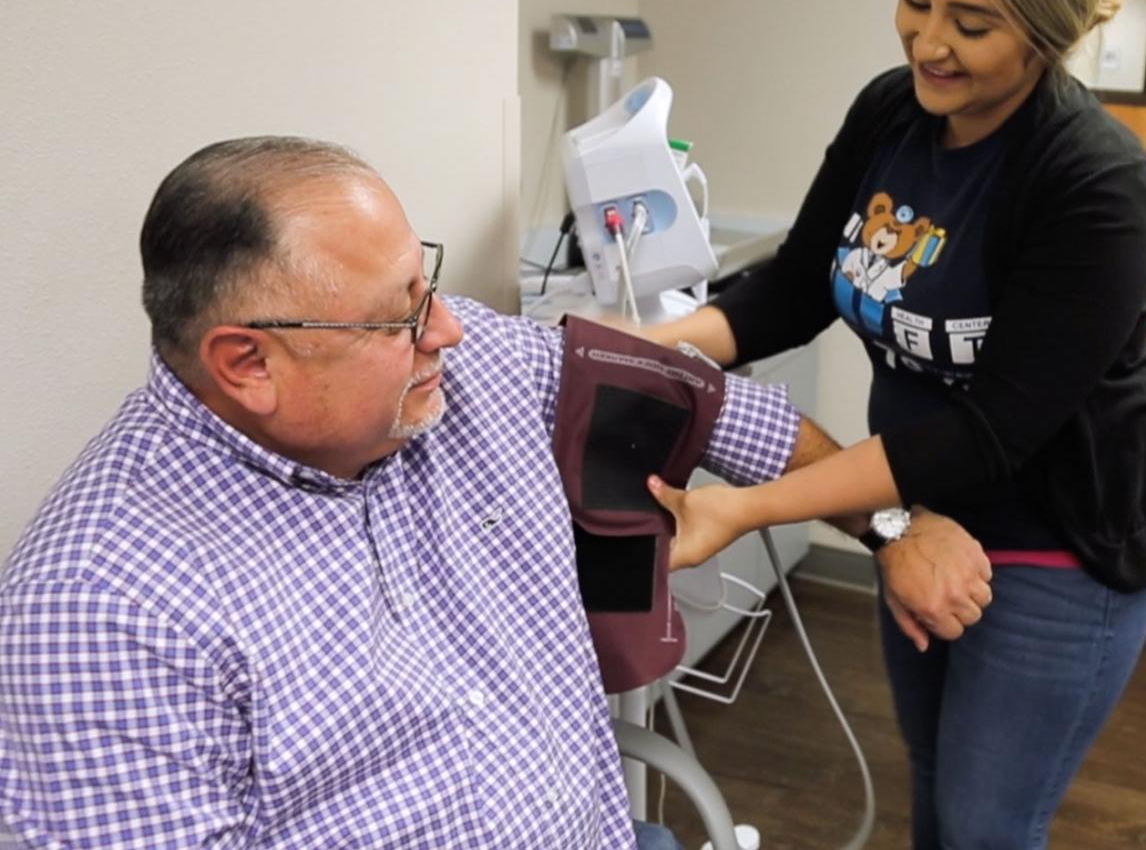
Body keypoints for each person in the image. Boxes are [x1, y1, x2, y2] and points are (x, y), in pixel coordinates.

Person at [0, 136, 975, 849]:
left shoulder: (473, 370)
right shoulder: (102, 601)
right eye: (398, 321)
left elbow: (727, 416)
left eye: (423, 288)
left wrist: (892, 527)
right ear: (247, 363)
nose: (451, 332)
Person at [642, 0, 1146, 849]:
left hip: (1063, 527)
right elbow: (796, 287)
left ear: (1047, 27)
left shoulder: (1097, 186)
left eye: (971, 23)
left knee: (988, 823)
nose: (926, 42)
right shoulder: (891, 112)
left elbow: (992, 431)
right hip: (917, 498)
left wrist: (747, 507)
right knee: (938, 790)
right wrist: (650, 343)